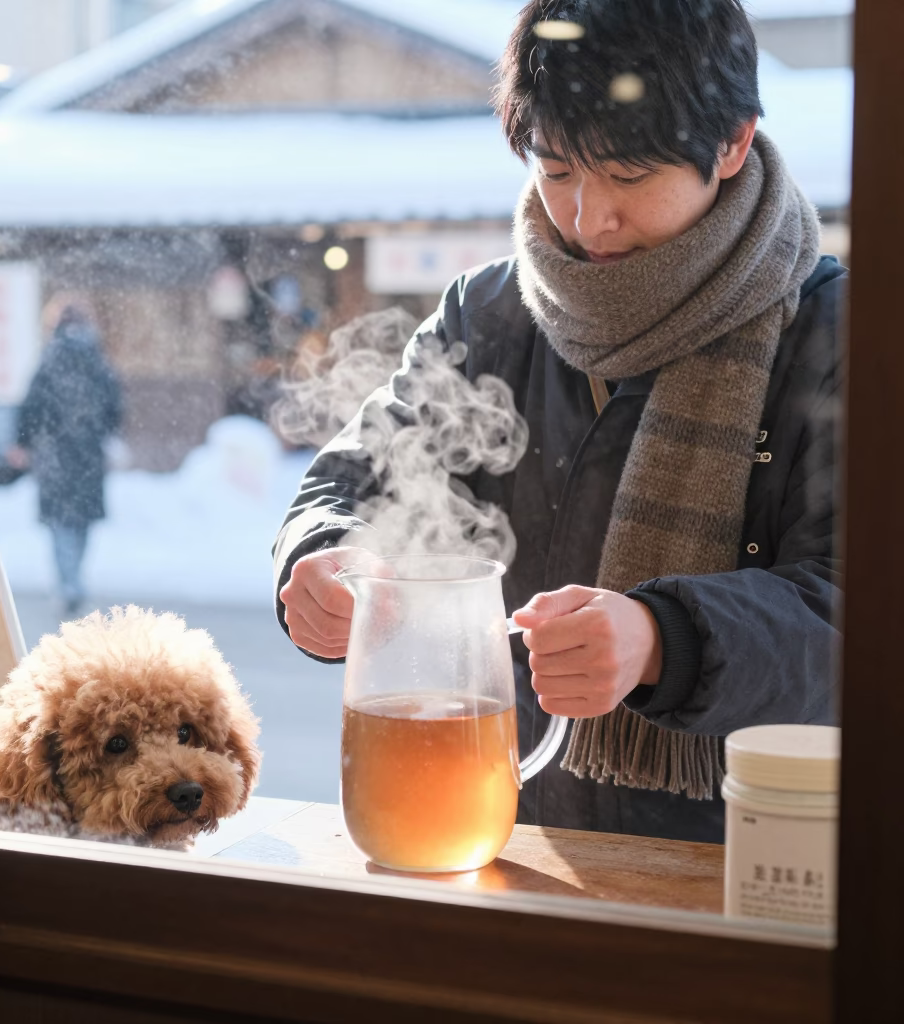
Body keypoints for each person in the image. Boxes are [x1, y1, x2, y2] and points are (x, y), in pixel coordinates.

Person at [272, 0, 844, 843]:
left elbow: (855, 617)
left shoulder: (837, 335)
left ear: (731, 142)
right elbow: (360, 478)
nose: (588, 219)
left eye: (629, 174)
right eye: (558, 171)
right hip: (507, 828)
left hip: (749, 858)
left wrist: (663, 638)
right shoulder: (492, 313)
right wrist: (324, 554)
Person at [15, 301, 123, 615]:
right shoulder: (97, 359)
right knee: (82, 521)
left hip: (54, 453)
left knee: (60, 522)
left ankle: (68, 582)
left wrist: (24, 441)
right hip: (88, 453)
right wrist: (101, 432)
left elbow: (32, 405)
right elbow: (114, 405)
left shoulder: (50, 359)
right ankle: (75, 578)